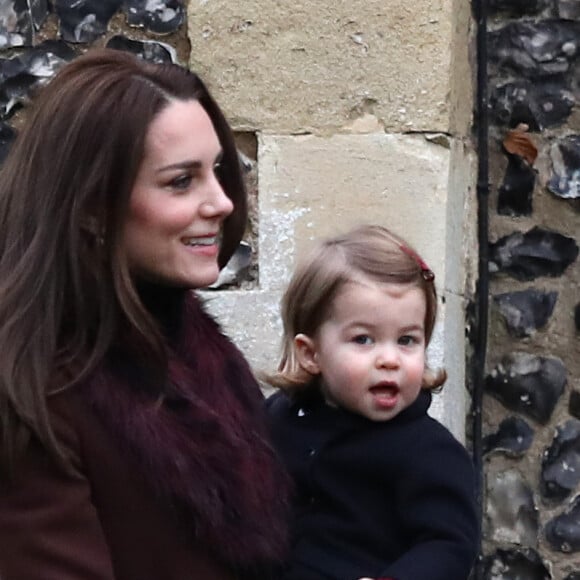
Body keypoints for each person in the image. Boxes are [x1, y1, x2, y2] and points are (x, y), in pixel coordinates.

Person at [0, 48, 289, 580]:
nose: (222, 202)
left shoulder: (204, 359)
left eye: (218, 171)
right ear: (92, 208)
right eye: (182, 181)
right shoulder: (31, 392)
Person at [265, 224, 479, 580]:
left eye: (407, 340)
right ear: (310, 353)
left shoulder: (428, 450)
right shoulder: (278, 418)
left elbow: (448, 543)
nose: (389, 359)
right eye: (364, 339)